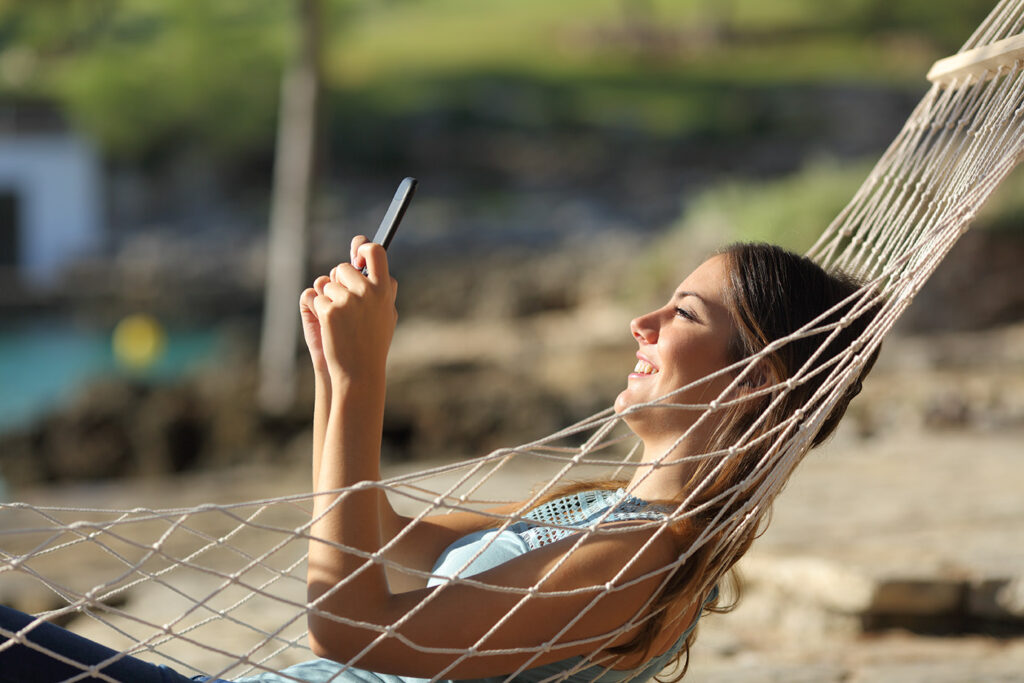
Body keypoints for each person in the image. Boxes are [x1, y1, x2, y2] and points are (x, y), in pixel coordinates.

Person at [0, 237, 879, 683]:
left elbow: (351, 625)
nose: (641, 324)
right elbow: (374, 532)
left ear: (755, 380)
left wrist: (366, 371)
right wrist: (334, 380)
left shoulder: (646, 558)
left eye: (683, 313)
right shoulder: (595, 517)